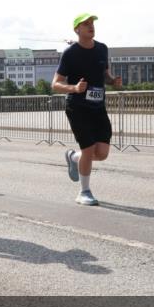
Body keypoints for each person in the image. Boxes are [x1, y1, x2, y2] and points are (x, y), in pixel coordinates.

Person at [53, 14, 122, 206]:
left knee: (102, 153)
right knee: (89, 148)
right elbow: (55, 84)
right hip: (77, 107)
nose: (91, 26)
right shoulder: (70, 53)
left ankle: (74, 157)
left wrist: (112, 80)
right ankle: (84, 192)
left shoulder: (102, 49)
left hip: (98, 107)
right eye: (86, 24)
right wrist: (74, 88)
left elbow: (104, 74)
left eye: (92, 23)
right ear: (77, 30)